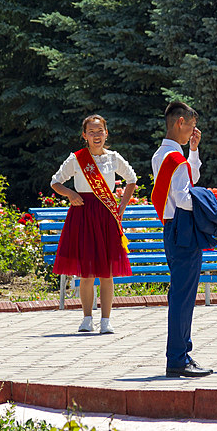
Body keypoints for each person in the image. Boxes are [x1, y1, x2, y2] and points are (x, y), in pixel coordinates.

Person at [50, 115, 137, 335]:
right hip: (83, 215)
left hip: (106, 216)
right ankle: (87, 319)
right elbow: (56, 181)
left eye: (100, 131)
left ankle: (106, 320)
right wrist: (70, 193)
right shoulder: (77, 159)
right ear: (84, 135)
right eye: (91, 131)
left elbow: (132, 179)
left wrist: (122, 206)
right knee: (86, 273)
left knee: (106, 272)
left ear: (106, 133)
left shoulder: (113, 158)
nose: (96, 136)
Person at [151, 101, 211, 378]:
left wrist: (194, 151)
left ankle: (183, 353)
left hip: (172, 227)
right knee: (183, 296)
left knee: (182, 294)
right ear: (179, 123)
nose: (193, 131)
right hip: (182, 228)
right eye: (191, 125)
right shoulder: (174, 159)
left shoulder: (164, 154)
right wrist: (209, 201)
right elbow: (185, 198)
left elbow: (191, 177)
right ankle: (177, 358)